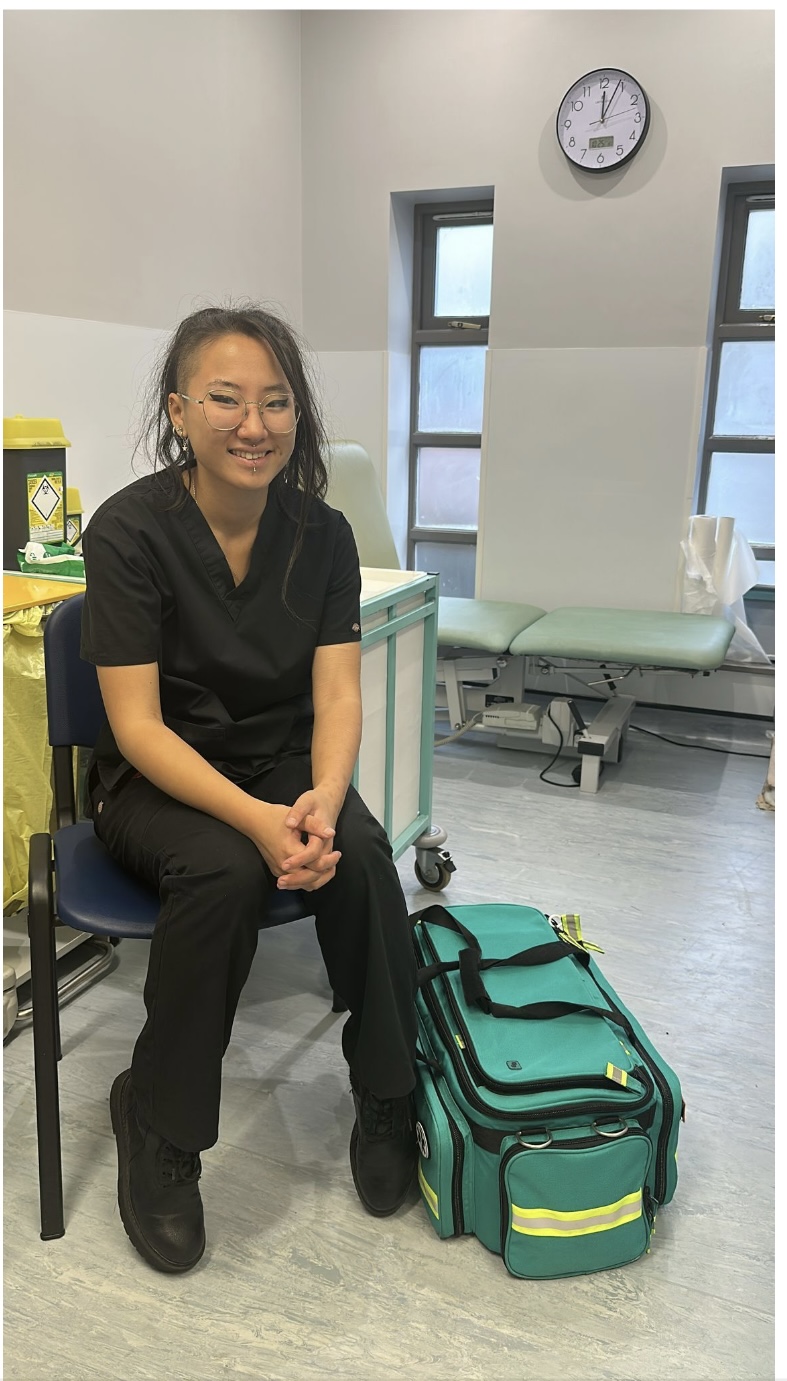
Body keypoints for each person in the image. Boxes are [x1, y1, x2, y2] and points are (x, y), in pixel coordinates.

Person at [80, 303, 418, 1274]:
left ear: (297, 416)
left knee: (361, 853)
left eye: (276, 402)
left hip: (283, 761)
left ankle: (388, 1091)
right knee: (225, 870)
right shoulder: (128, 531)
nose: (254, 424)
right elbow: (138, 728)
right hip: (156, 777)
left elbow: (338, 693)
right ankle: (161, 1126)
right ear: (179, 410)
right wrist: (258, 823)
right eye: (226, 399)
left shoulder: (322, 535)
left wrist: (324, 797)